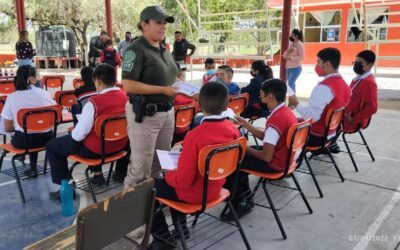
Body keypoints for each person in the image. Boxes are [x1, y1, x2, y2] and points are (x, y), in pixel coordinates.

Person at [149, 81, 240, 250]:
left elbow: (183, 180)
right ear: (227, 105)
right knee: (172, 183)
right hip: (216, 187)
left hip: (194, 194)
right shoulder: (233, 129)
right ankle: (181, 228)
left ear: (198, 105)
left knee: (148, 189)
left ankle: (162, 239)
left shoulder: (194, 136)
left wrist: (168, 173)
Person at [47, 64, 129, 199]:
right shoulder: (126, 97)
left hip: (95, 150)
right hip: (120, 146)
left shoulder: (94, 102)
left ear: (97, 81)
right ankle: (120, 174)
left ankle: (66, 191)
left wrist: (72, 136)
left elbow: (79, 134)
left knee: (53, 145)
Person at [222, 78, 297, 221]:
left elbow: (266, 157)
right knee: (244, 153)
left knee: (235, 161)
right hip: (284, 157)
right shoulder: (285, 111)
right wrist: (246, 124)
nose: (259, 98)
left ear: (270, 97)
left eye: (261, 95)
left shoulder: (276, 118)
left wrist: (241, 144)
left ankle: (241, 202)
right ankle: (244, 196)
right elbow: (267, 137)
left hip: (275, 163)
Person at [122, 6, 178, 188]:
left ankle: (155, 204)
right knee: (140, 168)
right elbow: (128, 84)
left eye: (164, 23)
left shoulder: (164, 48)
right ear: (144, 24)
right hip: (146, 115)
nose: (163, 27)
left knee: (161, 163)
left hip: (167, 113)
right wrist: (162, 90)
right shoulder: (135, 50)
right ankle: (131, 211)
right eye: (158, 23)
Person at [288, 47, 351, 149]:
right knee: (293, 120)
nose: (317, 66)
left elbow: (312, 117)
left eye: (318, 62)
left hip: (315, 136)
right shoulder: (345, 86)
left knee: (283, 125)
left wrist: (296, 104)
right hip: (331, 133)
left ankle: (280, 162)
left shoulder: (324, 87)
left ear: (327, 64)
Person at [1, 65, 55, 177]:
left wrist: (20, 126)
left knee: (26, 130)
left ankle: (33, 169)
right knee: (33, 128)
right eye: (37, 76)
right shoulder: (45, 94)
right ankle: (33, 168)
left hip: (23, 142)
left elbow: (7, 128)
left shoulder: (12, 97)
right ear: (31, 79)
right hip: (48, 139)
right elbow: (55, 117)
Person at [344, 50, 378, 132]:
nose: (356, 65)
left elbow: (372, 107)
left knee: (321, 123)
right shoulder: (360, 78)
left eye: (360, 63)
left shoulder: (368, 82)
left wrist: (354, 119)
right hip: (346, 116)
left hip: (350, 121)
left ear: (370, 65)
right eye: (355, 62)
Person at [282, 29, 304, 93]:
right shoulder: (291, 44)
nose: (291, 35)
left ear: (296, 35)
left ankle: (292, 101)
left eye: (292, 34)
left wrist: (291, 58)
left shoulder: (300, 44)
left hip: (296, 68)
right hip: (288, 68)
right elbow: (284, 55)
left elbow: (302, 57)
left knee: (289, 85)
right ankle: (292, 101)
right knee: (292, 85)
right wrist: (288, 51)